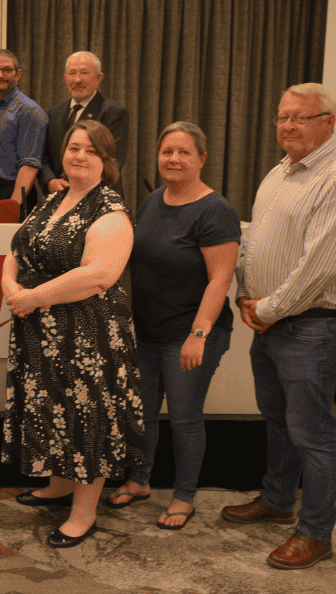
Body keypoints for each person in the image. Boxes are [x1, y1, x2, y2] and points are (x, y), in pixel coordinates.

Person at [222, 83, 336, 569]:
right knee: (278, 419)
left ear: (328, 122)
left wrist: (266, 309)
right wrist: (246, 293)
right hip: (269, 319)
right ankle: (278, 499)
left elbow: (321, 266)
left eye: (300, 118)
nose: (288, 126)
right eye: (282, 117)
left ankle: (316, 533)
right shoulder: (279, 172)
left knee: (311, 431)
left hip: (311, 325)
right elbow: (254, 240)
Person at [1, 119, 144, 548]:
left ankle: (84, 515)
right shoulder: (55, 198)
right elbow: (16, 248)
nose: (79, 155)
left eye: (90, 150)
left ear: (107, 160)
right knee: (53, 409)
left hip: (88, 335)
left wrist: (32, 297)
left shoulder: (111, 210)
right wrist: (12, 286)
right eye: (73, 147)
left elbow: (98, 275)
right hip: (42, 331)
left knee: (88, 418)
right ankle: (59, 487)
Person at [105, 122, 240, 530]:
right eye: (167, 152)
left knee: (184, 419)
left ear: (201, 159)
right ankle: (140, 480)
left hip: (190, 334)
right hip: (146, 332)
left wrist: (198, 335)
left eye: (184, 152)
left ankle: (184, 496)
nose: (174, 159)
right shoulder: (151, 202)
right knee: (142, 413)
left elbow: (221, 279)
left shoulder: (215, 210)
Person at [39, 51, 128, 196]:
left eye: (84, 73)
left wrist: (77, 187)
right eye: (72, 73)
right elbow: (44, 155)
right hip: (59, 197)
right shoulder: (54, 113)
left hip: (97, 197)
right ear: (65, 78)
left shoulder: (114, 113)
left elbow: (112, 161)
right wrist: (50, 181)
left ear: (99, 78)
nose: (77, 80)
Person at [0, 49, 47, 213]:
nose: (0, 75)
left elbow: (30, 164)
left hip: (12, 195)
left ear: (17, 74)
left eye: (7, 70)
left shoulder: (30, 111)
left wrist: (13, 205)